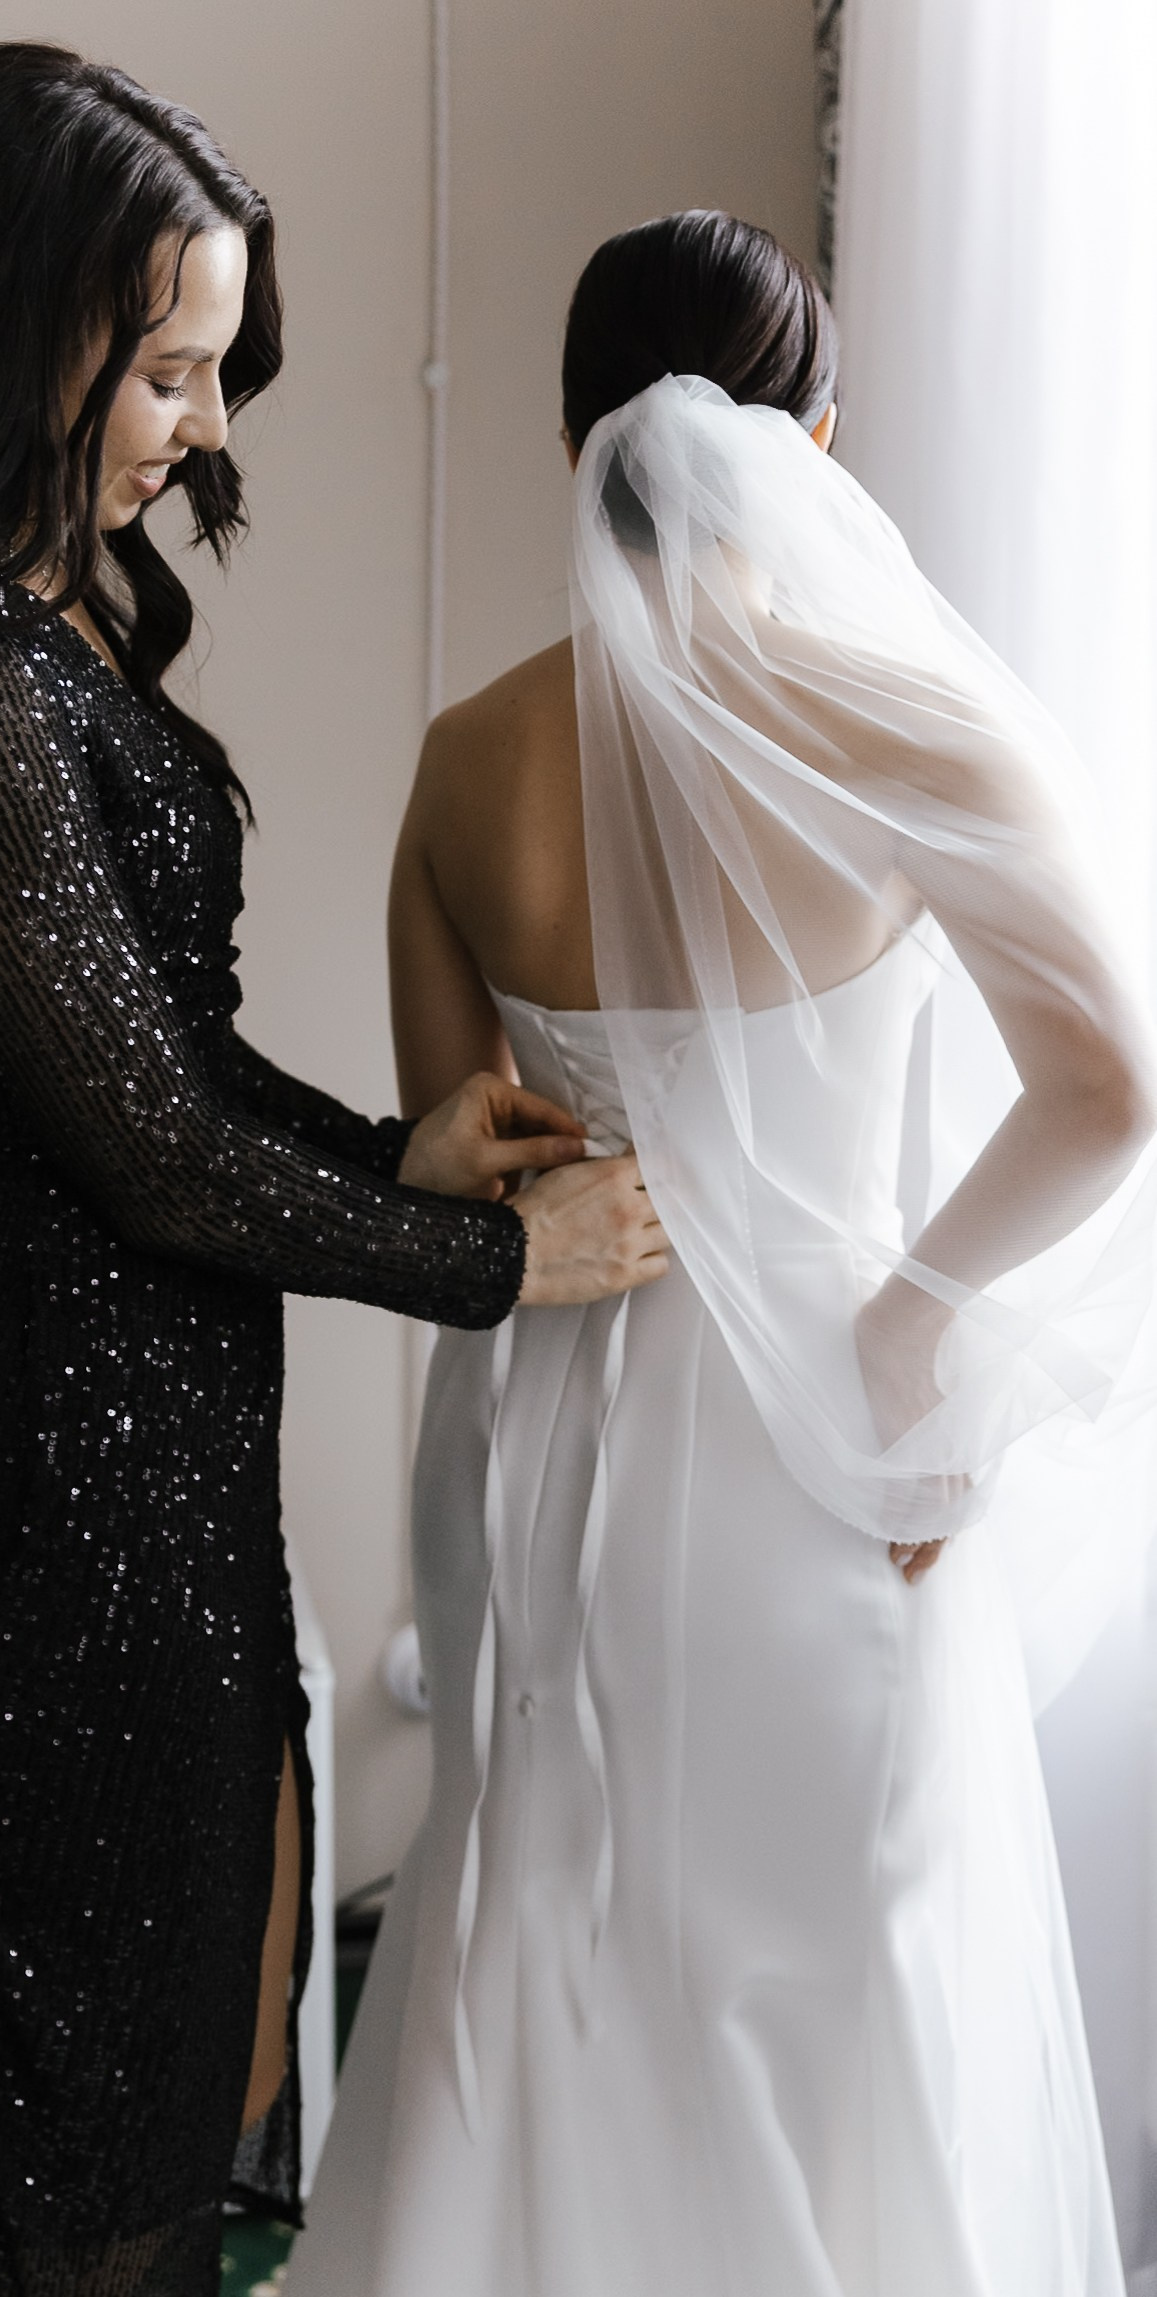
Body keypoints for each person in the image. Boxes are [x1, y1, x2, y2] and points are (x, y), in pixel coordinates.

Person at [0, 46, 663, 2297]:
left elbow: (163, 1074)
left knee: (158, 2154)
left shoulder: (39, 629)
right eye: (166, 369)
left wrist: (402, 1152)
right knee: (56, 2219)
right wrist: (494, 1258)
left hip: (145, 1527)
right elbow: (150, 1161)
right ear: (0, 334)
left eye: (216, 369)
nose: (209, 428)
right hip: (38, 1547)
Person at [288, 211, 1157, 2296]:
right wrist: (909, 1330)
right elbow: (1110, 1087)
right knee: (846, 1970)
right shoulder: (912, 735)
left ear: (570, 448)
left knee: (545, 1937)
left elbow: (464, 1174)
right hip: (821, 1442)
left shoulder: (465, 761)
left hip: (547, 1440)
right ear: (815, 440)